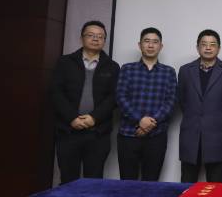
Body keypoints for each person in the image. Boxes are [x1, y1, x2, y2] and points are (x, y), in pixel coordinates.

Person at [50, 20, 120, 184]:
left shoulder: (112, 66)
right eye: (91, 35)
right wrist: (72, 118)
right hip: (68, 131)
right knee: (68, 180)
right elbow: (56, 93)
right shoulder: (65, 62)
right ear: (82, 38)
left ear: (104, 40)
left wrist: (94, 118)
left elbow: (114, 97)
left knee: (93, 182)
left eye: (100, 36)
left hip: (98, 133)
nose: (95, 39)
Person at [115, 27, 177, 181]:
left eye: (155, 42)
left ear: (161, 46)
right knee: (127, 182)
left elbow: (171, 101)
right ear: (140, 45)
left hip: (156, 136)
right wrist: (140, 120)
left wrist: (150, 123)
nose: (150, 45)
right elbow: (121, 97)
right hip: (128, 134)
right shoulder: (127, 69)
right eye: (147, 41)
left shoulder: (169, 72)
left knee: (152, 182)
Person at [177, 29, 222, 183]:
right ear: (197, 48)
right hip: (191, 135)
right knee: (187, 184)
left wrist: (215, 117)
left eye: (212, 44)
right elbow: (182, 100)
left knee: (215, 185)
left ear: (219, 48)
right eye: (204, 44)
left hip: (217, 136)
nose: (208, 48)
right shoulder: (185, 71)